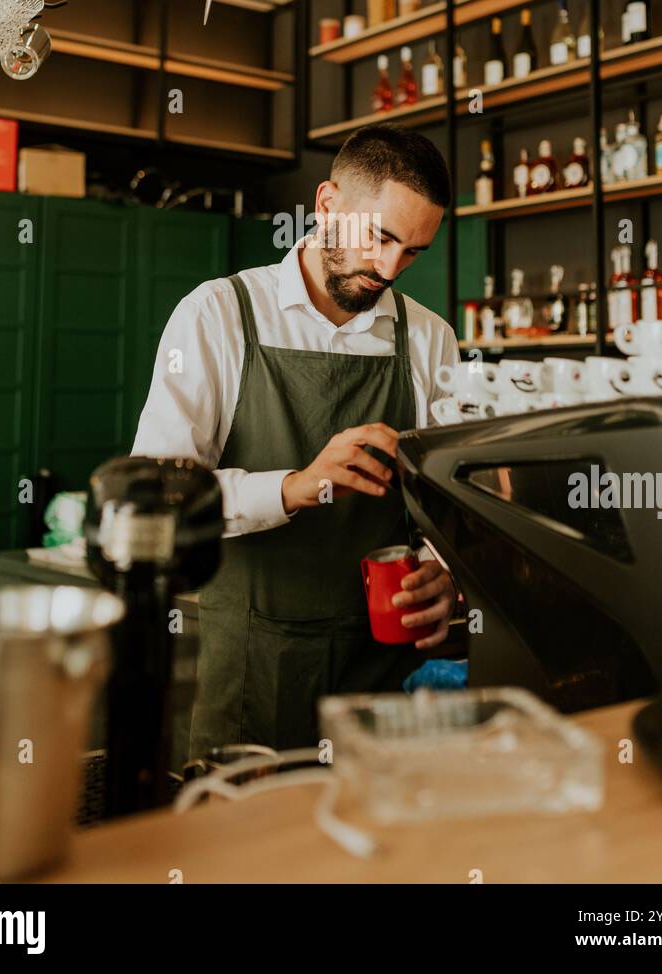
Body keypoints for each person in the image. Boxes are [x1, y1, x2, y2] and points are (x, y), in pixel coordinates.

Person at [133, 124, 460, 754]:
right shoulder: (216, 314)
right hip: (250, 668)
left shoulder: (429, 339)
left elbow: (447, 501)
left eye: (414, 251)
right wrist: (293, 487)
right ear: (328, 204)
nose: (390, 268)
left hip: (379, 680)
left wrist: (445, 575)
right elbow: (158, 491)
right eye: (381, 238)